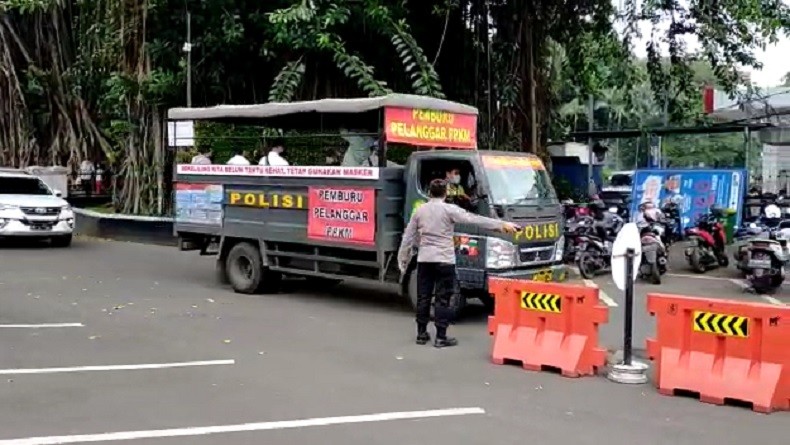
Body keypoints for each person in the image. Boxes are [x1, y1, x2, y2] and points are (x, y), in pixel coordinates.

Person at [398, 179, 520, 348]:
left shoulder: (420, 211)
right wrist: (502, 225)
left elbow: (408, 237)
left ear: (429, 193)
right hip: (444, 260)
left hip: (425, 259)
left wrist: (402, 259)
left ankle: (421, 334)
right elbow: (474, 219)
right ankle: (440, 337)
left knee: (423, 296)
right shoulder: (449, 210)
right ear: (445, 193)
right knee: (442, 298)